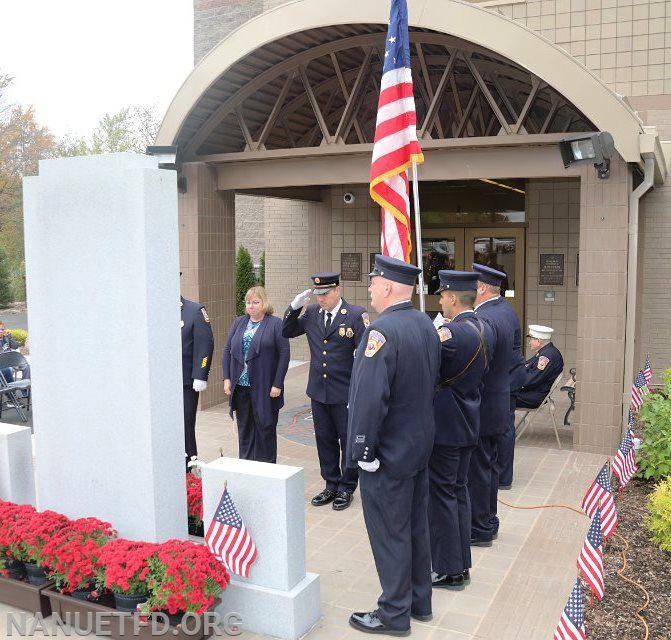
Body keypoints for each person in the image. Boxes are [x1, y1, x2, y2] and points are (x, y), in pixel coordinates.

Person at [347, 255, 441, 636]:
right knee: (416, 527)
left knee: (390, 533)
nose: (369, 288)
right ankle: (419, 602)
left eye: (373, 282)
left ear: (387, 286)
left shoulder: (380, 332)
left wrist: (362, 452)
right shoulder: (424, 323)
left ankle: (393, 613)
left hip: (387, 454)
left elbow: (371, 399)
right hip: (418, 447)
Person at [429, 271, 492, 591]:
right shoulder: (483, 327)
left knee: (442, 497)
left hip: (446, 426)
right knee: (458, 493)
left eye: (442, 296)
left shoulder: (451, 333)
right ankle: (461, 565)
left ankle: (448, 569)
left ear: (453, 297)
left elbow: (429, 370)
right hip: (468, 420)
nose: (440, 300)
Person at [282, 272, 366, 511]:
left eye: (326, 293)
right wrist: (294, 308)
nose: (321, 298)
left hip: (345, 392)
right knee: (325, 440)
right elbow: (286, 331)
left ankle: (347, 487)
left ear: (337, 290)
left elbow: (362, 359)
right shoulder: (310, 315)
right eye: (318, 294)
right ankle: (331, 483)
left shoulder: (355, 316)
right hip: (319, 391)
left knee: (347, 442)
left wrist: (358, 392)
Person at [468, 263, 522, 545]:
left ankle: (479, 527)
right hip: (496, 402)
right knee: (486, 469)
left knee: (478, 471)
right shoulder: (504, 311)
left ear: (482, 288)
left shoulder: (488, 318)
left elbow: (480, 365)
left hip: (484, 404)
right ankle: (487, 521)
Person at [222, 286, 290, 463]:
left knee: (265, 429)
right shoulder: (239, 322)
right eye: (248, 302)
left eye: (255, 302)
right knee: (244, 430)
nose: (251, 306)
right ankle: (246, 468)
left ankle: (267, 469)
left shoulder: (275, 323)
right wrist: (227, 378)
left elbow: (284, 355)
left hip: (265, 387)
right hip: (241, 387)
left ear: (264, 303)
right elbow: (227, 350)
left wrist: (278, 384)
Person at [181, 293, 214, 467]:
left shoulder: (194, 310)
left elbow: (205, 344)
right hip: (161, 384)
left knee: (186, 426)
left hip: (185, 382)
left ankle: (189, 467)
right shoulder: (157, 309)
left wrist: (200, 374)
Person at [514, 324, 564, 408]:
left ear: (539, 341)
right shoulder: (545, 352)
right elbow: (526, 365)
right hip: (533, 392)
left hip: (533, 396)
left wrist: (512, 378)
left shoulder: (546, 356)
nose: (529, 342)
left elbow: (530, 380)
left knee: (498, 396)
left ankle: (500, 421)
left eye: (531, 340)